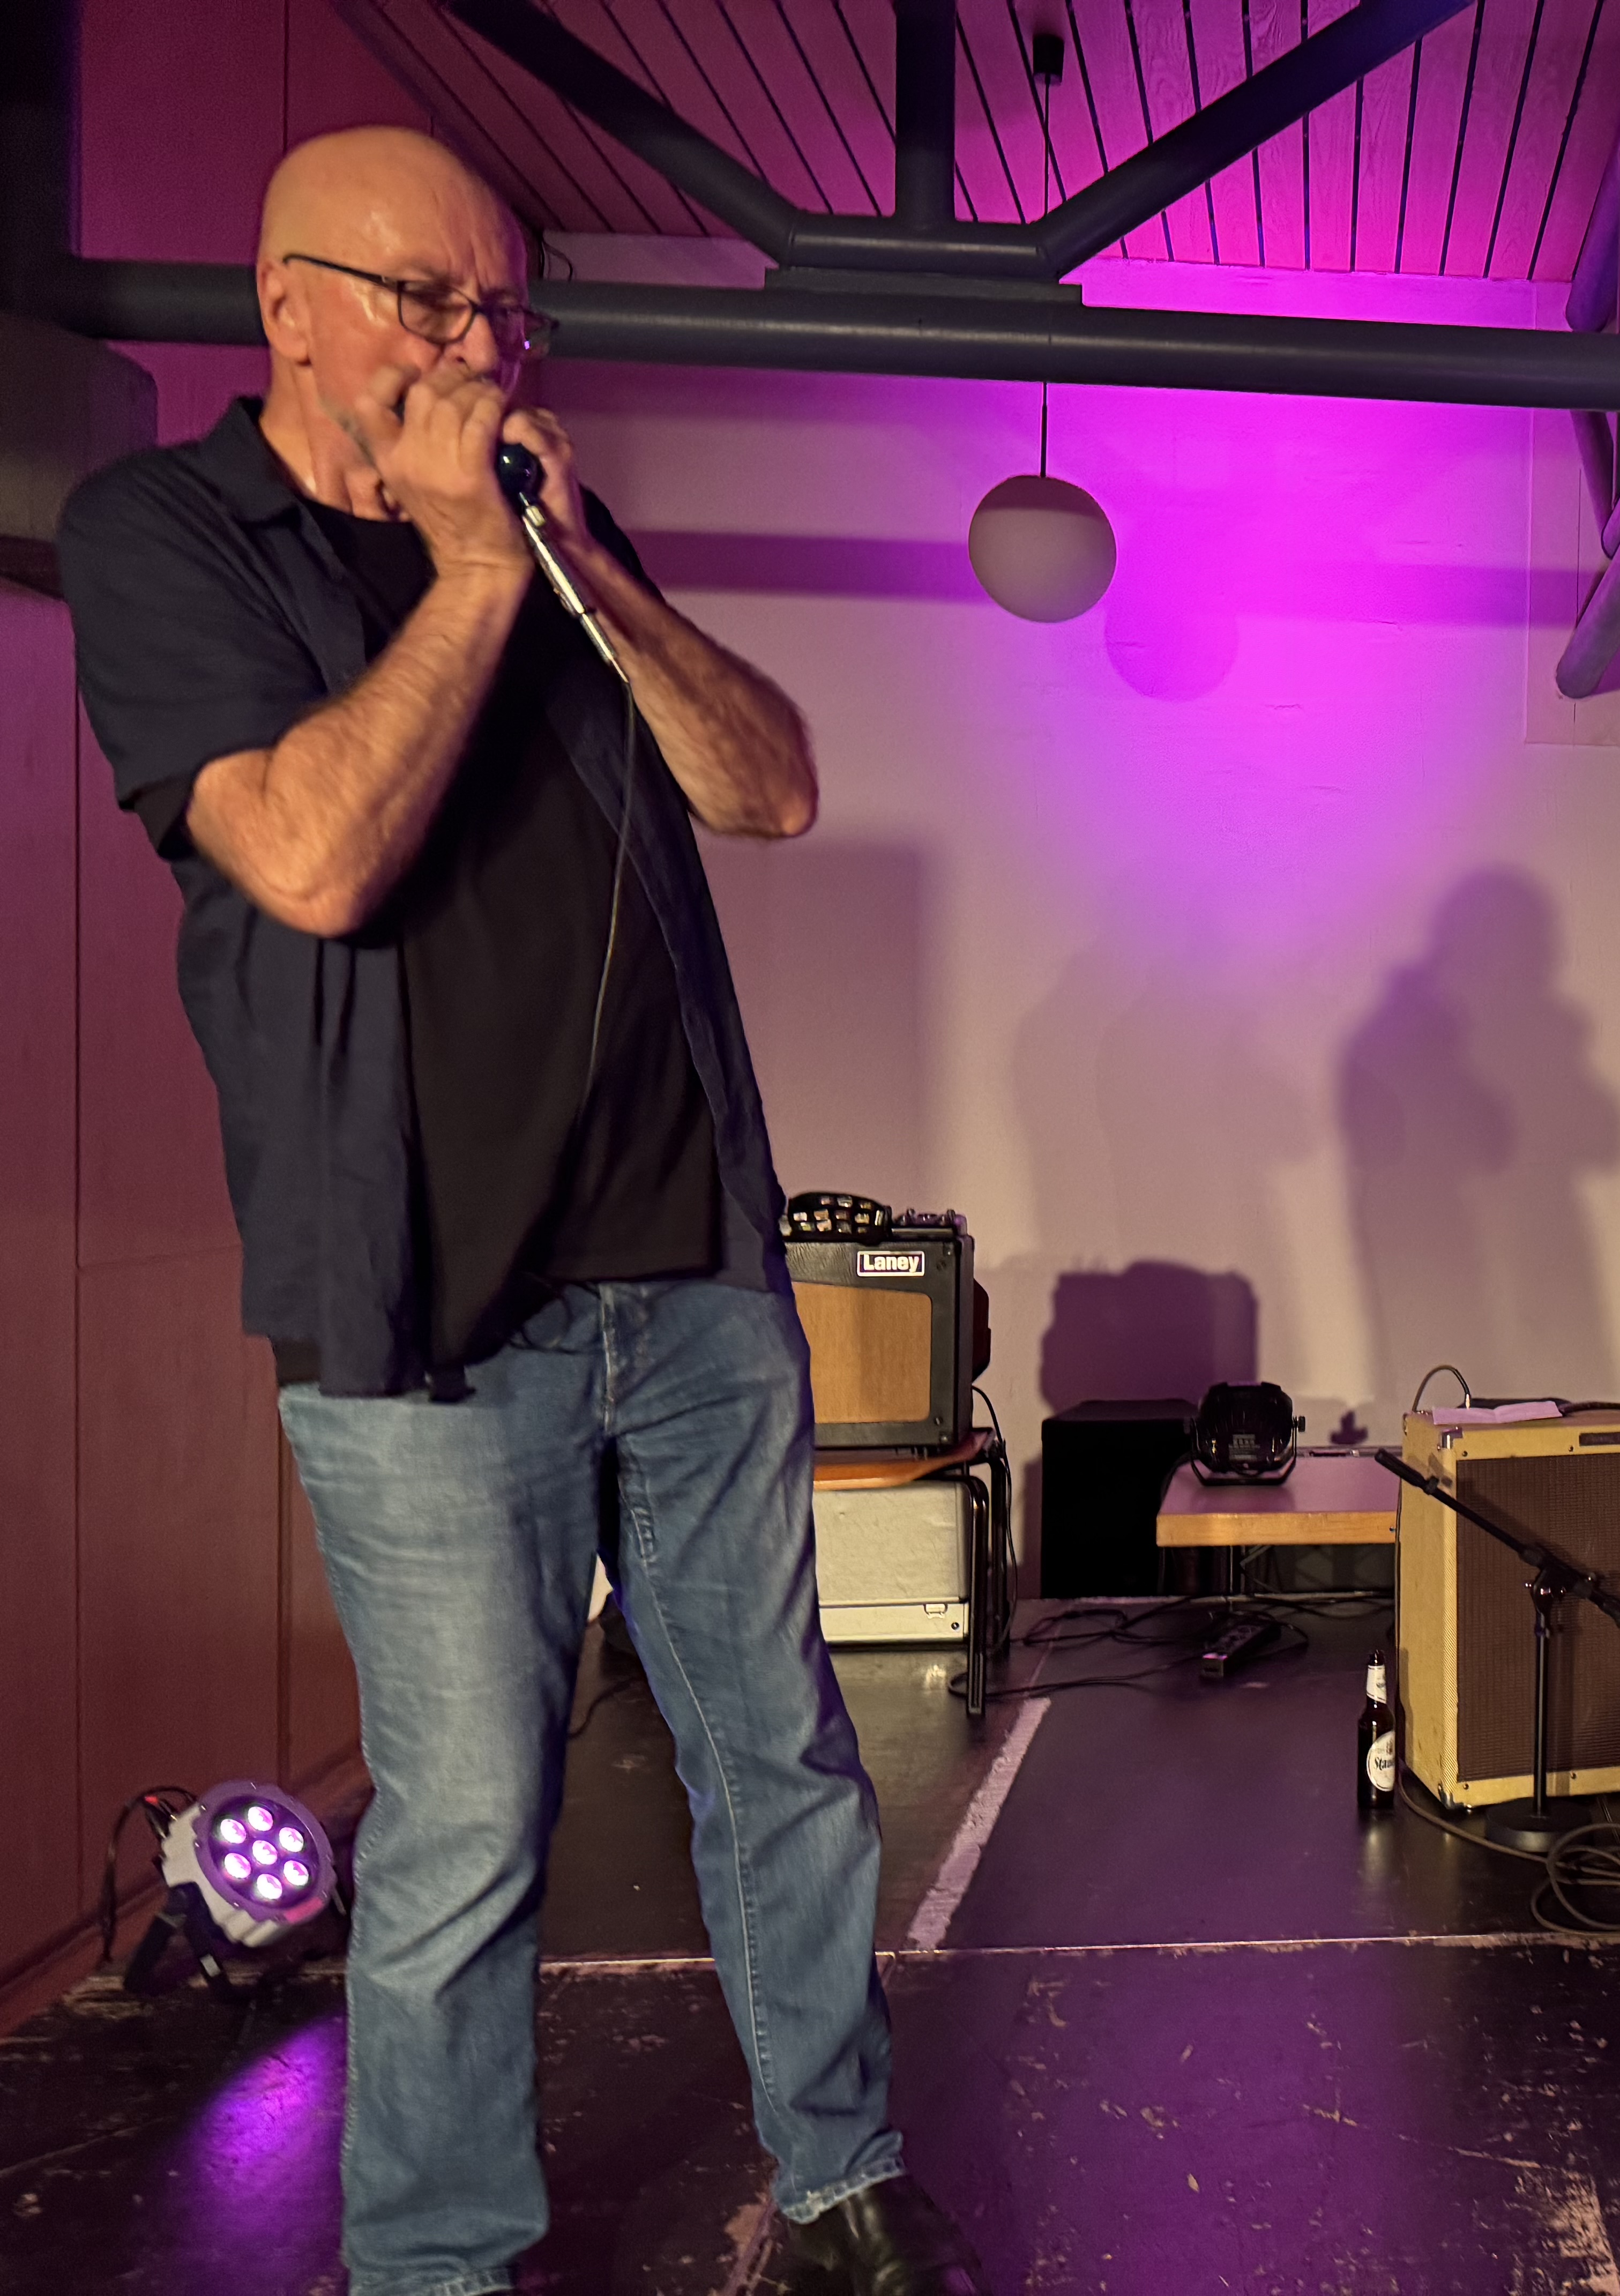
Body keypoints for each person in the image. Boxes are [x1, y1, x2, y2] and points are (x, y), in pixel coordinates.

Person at [56, 128, 984, 2296]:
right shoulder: (165, 533)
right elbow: (307, 859)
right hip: (428, 1312)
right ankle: (439, 2263)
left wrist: (576, 568)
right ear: (288, 305)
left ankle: (843, 2178)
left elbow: (770, 787)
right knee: (471, 1819)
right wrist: (476, 574)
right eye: (430, 304)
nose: (481, 350)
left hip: (690, 1268)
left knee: (787, 1757)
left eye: (504, 309)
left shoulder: (550, 535)